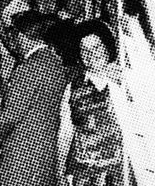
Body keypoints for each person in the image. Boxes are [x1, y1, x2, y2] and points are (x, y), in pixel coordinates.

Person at [0, 10, 66, 186]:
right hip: (46, 154)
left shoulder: (28, 68)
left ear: (22, 35)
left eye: (14, 36)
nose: (14, 42)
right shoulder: (55, 62)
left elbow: (11, 115)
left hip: (22, 157)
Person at [57, 21, 124, 186]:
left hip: (119, 172)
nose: (91, 54)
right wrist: (59, 170)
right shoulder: (73, 88)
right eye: (84, 50)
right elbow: (65, 132)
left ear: (107, 49)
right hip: (84, 173)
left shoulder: (124, 83)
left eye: (96, 47)